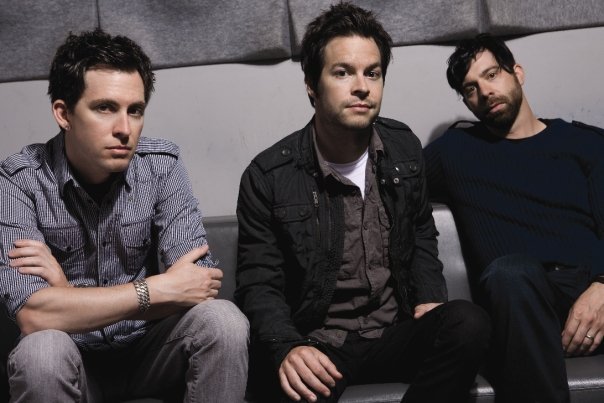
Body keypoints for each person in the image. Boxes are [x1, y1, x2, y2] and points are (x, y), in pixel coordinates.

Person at [235, 3, 490, 402]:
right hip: (321, 343)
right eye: (343, 72)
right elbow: (258, 282)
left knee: (469, 323)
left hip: (394, 332)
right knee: (288, 385)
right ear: (311, 84)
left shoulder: (403, 148)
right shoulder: (268, 176)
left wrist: (429, 297)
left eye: (373, 73)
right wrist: (287, 346)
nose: (362, 87)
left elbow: (421, 232)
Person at [0, 29, 249, 403]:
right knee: (41, 352)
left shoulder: (162, 166)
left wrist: (65, 294)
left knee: (224, 321)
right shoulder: (18, 180)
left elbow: (198, 288)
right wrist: (158, 289)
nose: (124, 129)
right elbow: (33, 315)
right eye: (105, 108)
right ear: (64, 114)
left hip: (151, 352)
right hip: (73, 358)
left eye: (135, 110)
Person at [424, 33, 604, 403]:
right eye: (470, 89)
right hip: (517, 302)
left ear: (517, 73)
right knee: (511, 272)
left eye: (491, 75)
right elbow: (387, 183)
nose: (484, 92)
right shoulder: (454, 152)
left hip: (591, 287)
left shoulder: (585, 144)